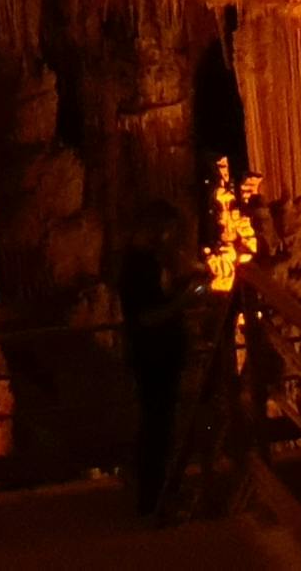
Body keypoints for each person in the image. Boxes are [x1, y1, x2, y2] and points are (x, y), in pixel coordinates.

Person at [115, 200, 192, 518]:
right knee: (157, 430)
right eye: (168, 231)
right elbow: (146, 317)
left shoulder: (145, 263)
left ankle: (157, 495)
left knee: (160, 428)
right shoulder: (137, 267)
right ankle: (153, 502)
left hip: (158, 357)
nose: (170, 238)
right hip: (153, 358)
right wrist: (183, 301)